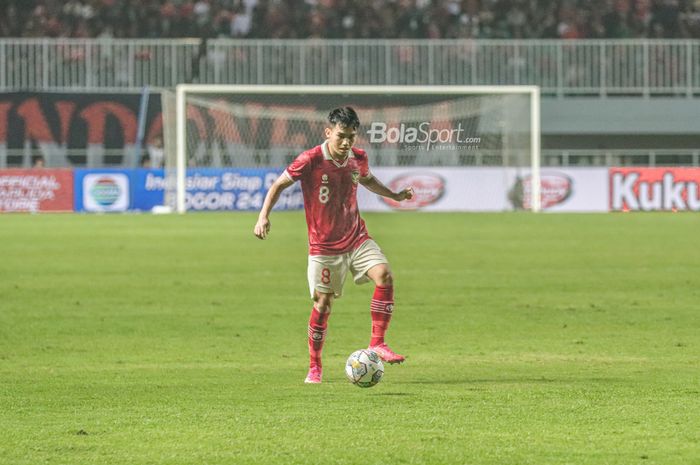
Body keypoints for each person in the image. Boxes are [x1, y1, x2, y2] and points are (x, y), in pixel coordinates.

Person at [253, 107, 414, 384]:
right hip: (324, 247)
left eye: (351, 136)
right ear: (328, 132)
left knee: (385, 275)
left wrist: (394, 195)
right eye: (341, 136)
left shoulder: (357, 157)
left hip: (356, 237)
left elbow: (367, 179)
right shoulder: (311, 159)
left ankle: (377, 343)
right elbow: (278, 185)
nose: (346, 142)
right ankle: (315, 366)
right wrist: (263, 216)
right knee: (323, 304)